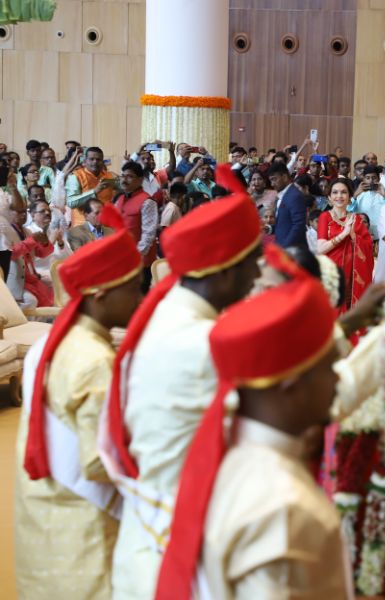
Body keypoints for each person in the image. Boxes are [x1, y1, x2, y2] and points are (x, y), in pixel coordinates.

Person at [103, 172, 263, 600]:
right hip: (177, 543)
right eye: (254, 261)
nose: (259, 273)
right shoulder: (201, 341)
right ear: (225, 269)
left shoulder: (172, 311)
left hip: (150, 529)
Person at [154, 258, 352, 599]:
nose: (338, 380)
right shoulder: (285, 506)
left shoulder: (229, 453)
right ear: (292, 384)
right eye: (330, 368)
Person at [15, 221, 143, 600]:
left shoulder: (54, 343)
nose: (141, 298)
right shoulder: (94, 359)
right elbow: (101, 462)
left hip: (44, 506)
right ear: (100, 294)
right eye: (133, 288)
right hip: (86, 518)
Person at [317, 179, 374, 311]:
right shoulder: (325, 217)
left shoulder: (357, 219)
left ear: (349, 197)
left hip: (352, 276)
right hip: (331, 273)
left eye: (343, 192)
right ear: (329, 197)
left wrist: (353, 235)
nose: (339, 196)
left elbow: (368, 247)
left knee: (349, 310)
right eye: (335, 192)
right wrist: (344, 234)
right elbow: (320, 249)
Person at [115, 162, 158, 291]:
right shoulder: (120, 199)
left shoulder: (147, 202)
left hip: (140, 261)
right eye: (123, 176)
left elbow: (148, 234)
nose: (124, 180)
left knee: (139, 297)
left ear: (140, 180)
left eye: (129, 176)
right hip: (121, 259)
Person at [65, 147, 118, 226]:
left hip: (105, 226)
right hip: (82, 226)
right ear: (85, 161)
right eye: (91, 159)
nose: (95, 162)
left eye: (98, 159)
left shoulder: (110, 176)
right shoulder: (76, 176)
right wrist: (94, 192)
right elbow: (71, 203)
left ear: (102, 162)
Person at [269, 162, 309, 249]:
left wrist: (284, 248)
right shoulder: (284, 195)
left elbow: (299, 226)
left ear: (284, 177)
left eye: (274, 179)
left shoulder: (295, 196)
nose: (272, 184)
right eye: (271, 180)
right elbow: (284, 224)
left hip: (293, 250)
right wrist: (269, 228)